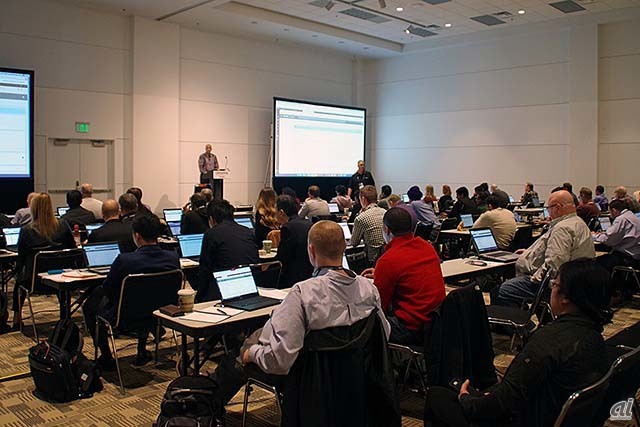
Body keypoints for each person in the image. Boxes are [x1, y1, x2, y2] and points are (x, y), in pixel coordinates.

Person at [214, 221, 391, 409]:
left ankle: (205, 409)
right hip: (354, 380)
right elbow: (384, 334)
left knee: (236, 359)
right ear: (344, 247)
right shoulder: (369, 289)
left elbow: (280, 361)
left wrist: (252, 354)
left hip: (306, 382)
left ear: (311, 251)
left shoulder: (302, 294)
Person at [425, 259, 610, 427]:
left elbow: (502, 403)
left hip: (524, 418)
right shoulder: (595, 337)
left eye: (554, 284)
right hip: (553, 413)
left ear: (565, 298)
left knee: (437, 397)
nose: (552, 289)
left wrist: (467, 400)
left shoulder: (548, 341)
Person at [83, 214, 180, 368]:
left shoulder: (124, 260)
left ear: (137, 236)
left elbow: (109, 290)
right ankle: (141, 350)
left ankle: (106, 356)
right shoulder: (173, 257)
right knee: (146, 299)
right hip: (161, 313)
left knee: (89, 307)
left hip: (126, 316)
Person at [492, 191, 595, 307]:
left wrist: (534, 279)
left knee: (501, 291)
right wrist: (530, 253)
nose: (548, 212)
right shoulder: (579, 223)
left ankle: (520, 318)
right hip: (576, 283)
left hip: (553, 286)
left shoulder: (562, 229)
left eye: (549, 208)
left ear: (557, 207)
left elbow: (554, 264)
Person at [362, 208, 445, 345]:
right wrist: (381, 274)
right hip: (437, 321)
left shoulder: (388, 260)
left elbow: (380, 306)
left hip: (412, 328)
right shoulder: (427, 247)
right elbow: (409, 273)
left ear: (386, 230)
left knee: (366, 325)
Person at [12, 193, 76, 329]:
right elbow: (72, 250)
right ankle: (65, 317)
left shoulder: (27, 230)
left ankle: (17, 319)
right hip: (61, 279)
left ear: (33, 208)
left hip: (35, 282)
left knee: (19, 282)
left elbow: (21, 259)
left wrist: (16, 272)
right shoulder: (63, 225)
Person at [197, 199, 259, 301]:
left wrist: (199, 298)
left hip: (223, 288)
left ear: (211, 219)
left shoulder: (211, 234)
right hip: (250, 286)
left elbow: (205, 269)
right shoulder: (247, 231)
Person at [594, 198, 640, 294]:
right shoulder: (633, 216)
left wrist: (594, 236)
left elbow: (608, 240)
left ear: (614, 211)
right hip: (635, 255)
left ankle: (605, 292)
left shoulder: (621, 219)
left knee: (596, 263)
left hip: (626, 257)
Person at [275, 195, 314, 288]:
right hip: (310, 273)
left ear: (281, 212)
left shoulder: (288, 227)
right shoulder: (309, 223)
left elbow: (283, 256)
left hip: (293, 277)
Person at [351, 185, 386, 264]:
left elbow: (354, 243)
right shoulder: (385, 212)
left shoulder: (361, 218)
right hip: (386, 256)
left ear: (363, 199)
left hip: (372, 260)